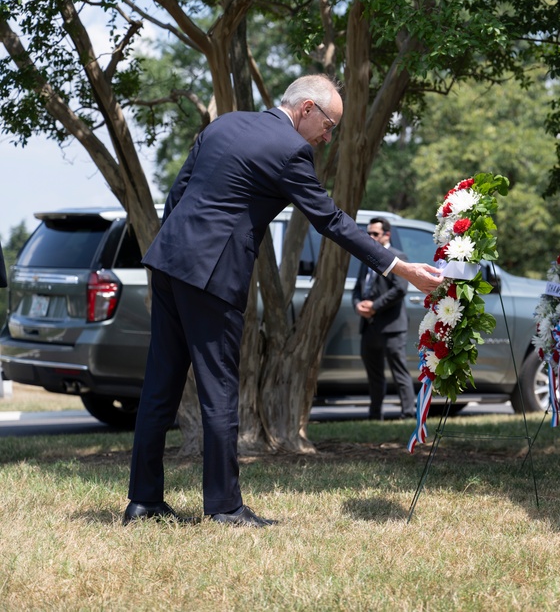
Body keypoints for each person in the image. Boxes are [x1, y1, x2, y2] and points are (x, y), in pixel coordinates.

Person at [123, 74, 441, 528]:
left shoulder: (224, 124)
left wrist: (175, 253)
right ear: (306, 109)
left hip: (170, 263)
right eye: (328, 125)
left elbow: (178, 193)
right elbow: (330, 220)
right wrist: (401, 268)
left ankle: (143, 501)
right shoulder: (291, 150)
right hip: (213, 274)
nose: (328, 137)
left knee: (160, 385)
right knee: (219, 392)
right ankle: (225, 508)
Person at [352, 217, 416, 421]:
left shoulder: (398, 257)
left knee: (400, 373)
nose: (370, 237)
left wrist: (374, 306)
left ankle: (408, 414)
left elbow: (400, 289)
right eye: (368, 233)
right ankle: (374, 415)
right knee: (374, 375)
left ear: (386, 235)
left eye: (375, 234)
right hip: (369, 327)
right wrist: (358, 305)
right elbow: (358, 289)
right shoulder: (366, 258)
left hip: (392, 326)